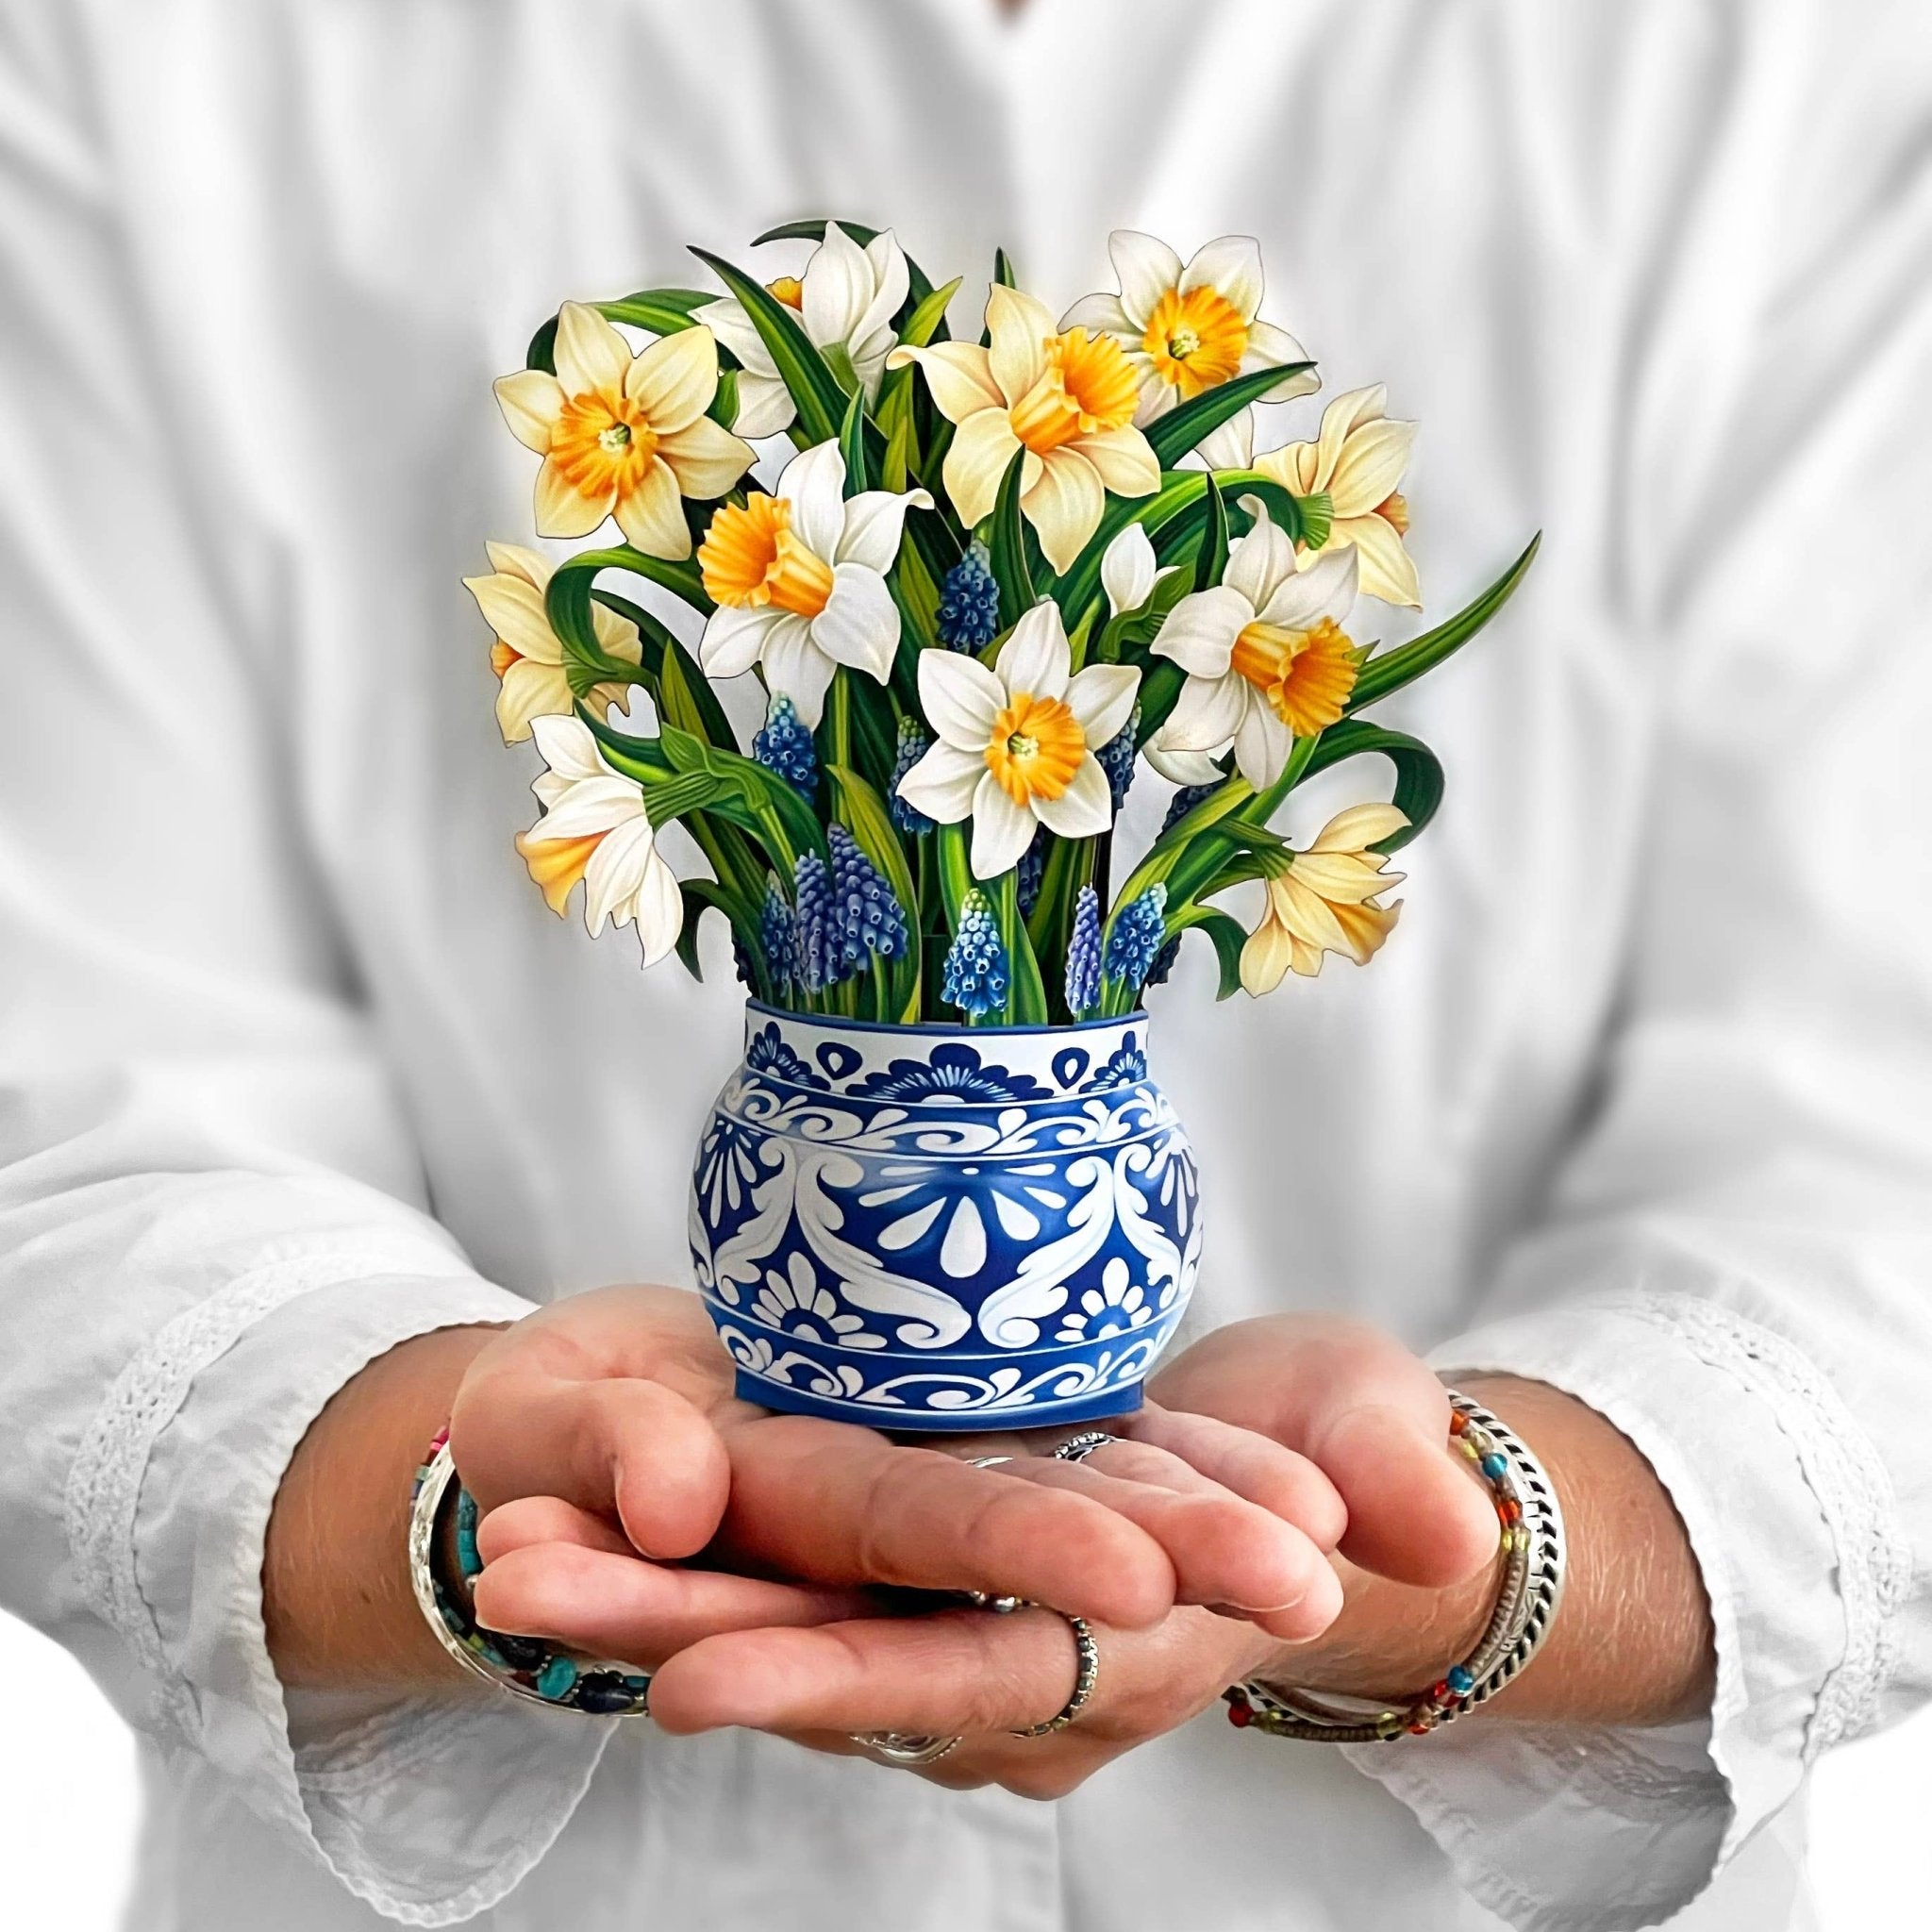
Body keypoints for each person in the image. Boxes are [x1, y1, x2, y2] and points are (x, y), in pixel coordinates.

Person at [2, 2, 1927, 1927]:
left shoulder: (1784, 60)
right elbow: (73, 1130)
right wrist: (461, 1510)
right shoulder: (158, 48)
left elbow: (1873, 1164)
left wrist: (1474, 1547)